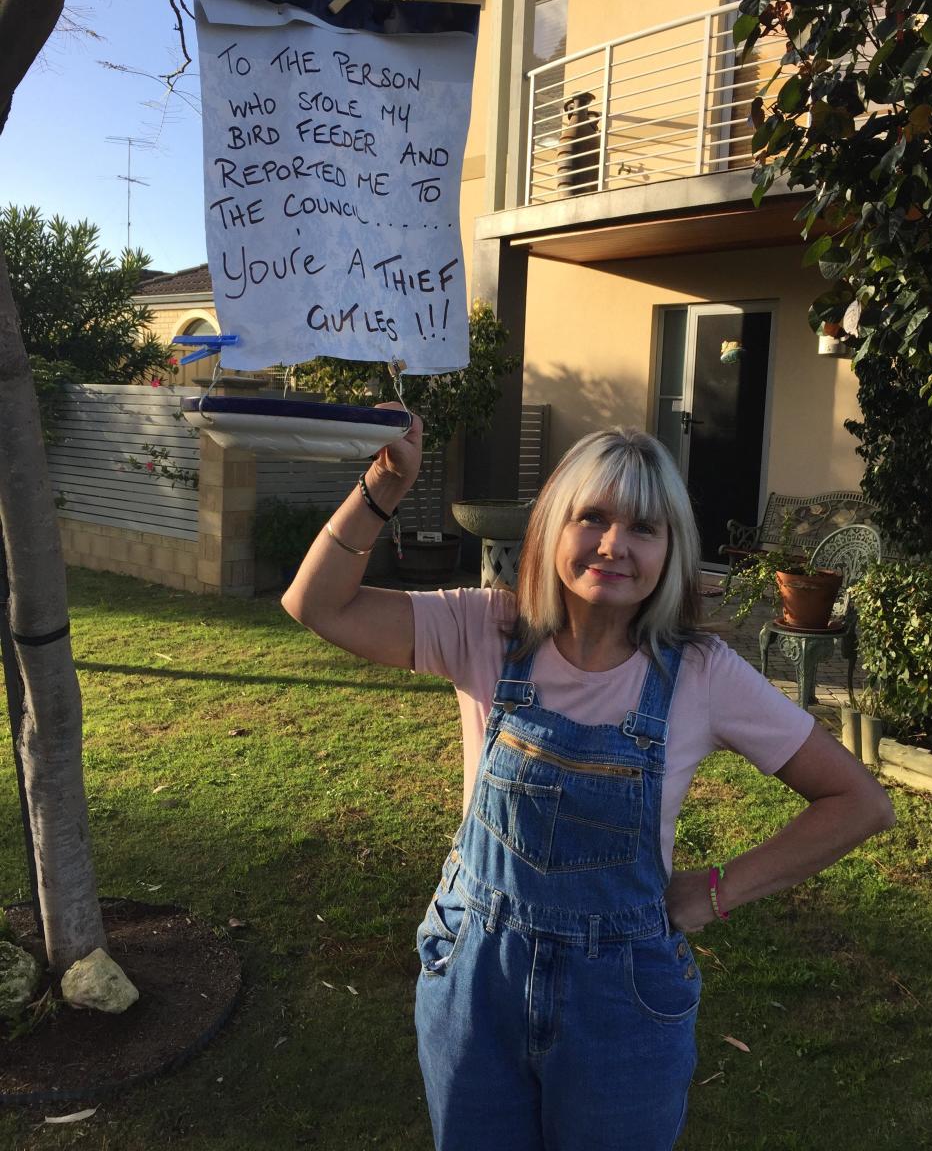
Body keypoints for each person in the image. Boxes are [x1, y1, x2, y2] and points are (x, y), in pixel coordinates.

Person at [281, 414, 894, 1151]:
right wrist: (382, 487)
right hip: (476, 978)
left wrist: (715, 892)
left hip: (622, 1000)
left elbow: (859, 801)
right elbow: (315, 605)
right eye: (593, 517)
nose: (614, 545)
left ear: (671, 552)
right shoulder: (486, 630)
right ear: (550, 529)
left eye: (643, 527)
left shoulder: (700, 673)